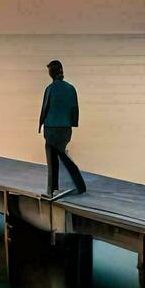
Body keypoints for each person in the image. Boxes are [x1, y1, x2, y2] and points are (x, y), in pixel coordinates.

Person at [38, 59, 87, 198]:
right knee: (61, 154)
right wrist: (73, 123)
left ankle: (52, 190)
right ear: (61, 72)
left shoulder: (50, 89)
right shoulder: (70, 88)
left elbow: (45, 108)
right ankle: (77, 183)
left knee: (52, 159)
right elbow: (75, 109)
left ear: (52, 73)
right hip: (65, 128)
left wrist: (40, 124)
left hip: (51, 127)